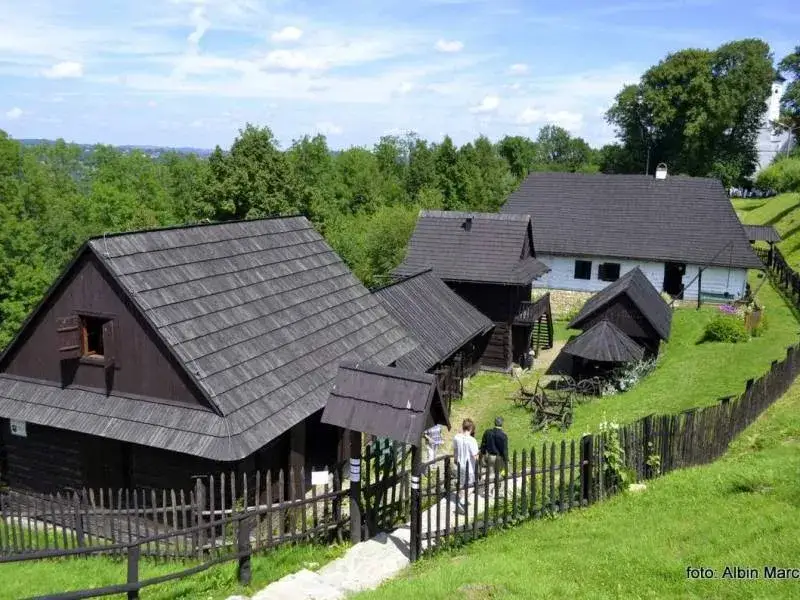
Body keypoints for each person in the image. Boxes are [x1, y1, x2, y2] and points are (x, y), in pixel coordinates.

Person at [452, 418, 479, 513]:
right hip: (470, 467)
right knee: (472, 485)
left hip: (460, 464)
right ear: (471, 428)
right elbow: (475, 456)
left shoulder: (456, 437)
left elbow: (455, 450)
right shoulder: (472, 440)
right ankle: (462, 501)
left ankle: (461, 500)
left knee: (462, 483)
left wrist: (455, 459)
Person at [480, 416, 509, 495]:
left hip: (490, 456)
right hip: (499, 457)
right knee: (500, 473)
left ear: (494, 423)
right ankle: (498, 491)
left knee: (491, 474)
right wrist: (506, 460)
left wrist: (482, 453)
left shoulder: (488, 432)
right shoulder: (503, 435)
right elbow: (505, 449)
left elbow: (483, 444)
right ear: (502, 424)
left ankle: (489, 490)